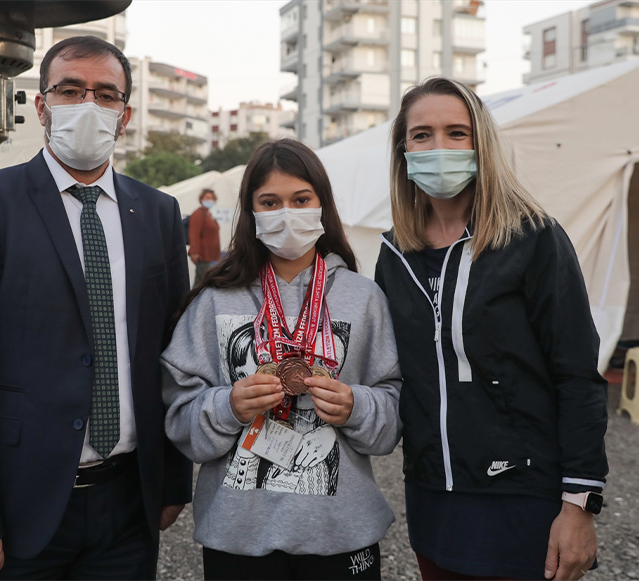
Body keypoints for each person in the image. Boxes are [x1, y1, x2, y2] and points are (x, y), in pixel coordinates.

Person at [0, 36, 192, 580]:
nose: (89, 105)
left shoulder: (158, 212)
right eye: (70, 90)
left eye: (106, 94)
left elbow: (172, 357)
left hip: (128, 506)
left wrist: (172, 481)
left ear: (125, 114)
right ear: (41, 106)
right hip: (17, 508)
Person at [374, 77, 609, 581]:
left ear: (481, 144)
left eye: (457, 133)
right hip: (433, 493)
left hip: (521, 494)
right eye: (422, 135)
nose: (440, 147)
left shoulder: (533, 237)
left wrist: (580, 503)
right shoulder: (395, 253)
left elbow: (577, 374)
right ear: (403, 149)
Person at [161, 139, 402, 581]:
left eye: (301, 199)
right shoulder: (215, 300)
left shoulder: (362, 298)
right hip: (238, 537)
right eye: (270, 202)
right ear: (250, 212)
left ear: (322, 207)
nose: (286, 213)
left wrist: (357, 406)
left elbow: (395, 405)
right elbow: (179, 414)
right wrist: (228, 406)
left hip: (342, 536)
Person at [188, 188, 221, 286]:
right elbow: (194, 234)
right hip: (203, 255)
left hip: (212, 256)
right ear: (201, 199)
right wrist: (194, 252)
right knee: (200, 283)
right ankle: (192, 301)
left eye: (211, 198)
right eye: (207, 198)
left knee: (204, 283)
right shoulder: (198, 214)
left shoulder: (208, 214)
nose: (209, 200)